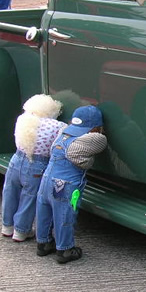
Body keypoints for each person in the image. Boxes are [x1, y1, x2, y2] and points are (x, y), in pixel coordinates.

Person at [35, 105, 107, 263]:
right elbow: (100, 142)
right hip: (64, 185)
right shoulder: (89, 139)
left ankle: (43, 243)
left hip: (46, 179)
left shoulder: (63, 133)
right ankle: (65, 249)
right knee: (64, 214)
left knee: (44, 210)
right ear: (95, 128)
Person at [1, 94, 66, 241]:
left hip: (16, 159)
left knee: (10, 192)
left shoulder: (22, 119)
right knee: (29, 197)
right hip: (38, 164)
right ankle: (21, 231)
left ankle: (7, 226)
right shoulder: (57, 126)